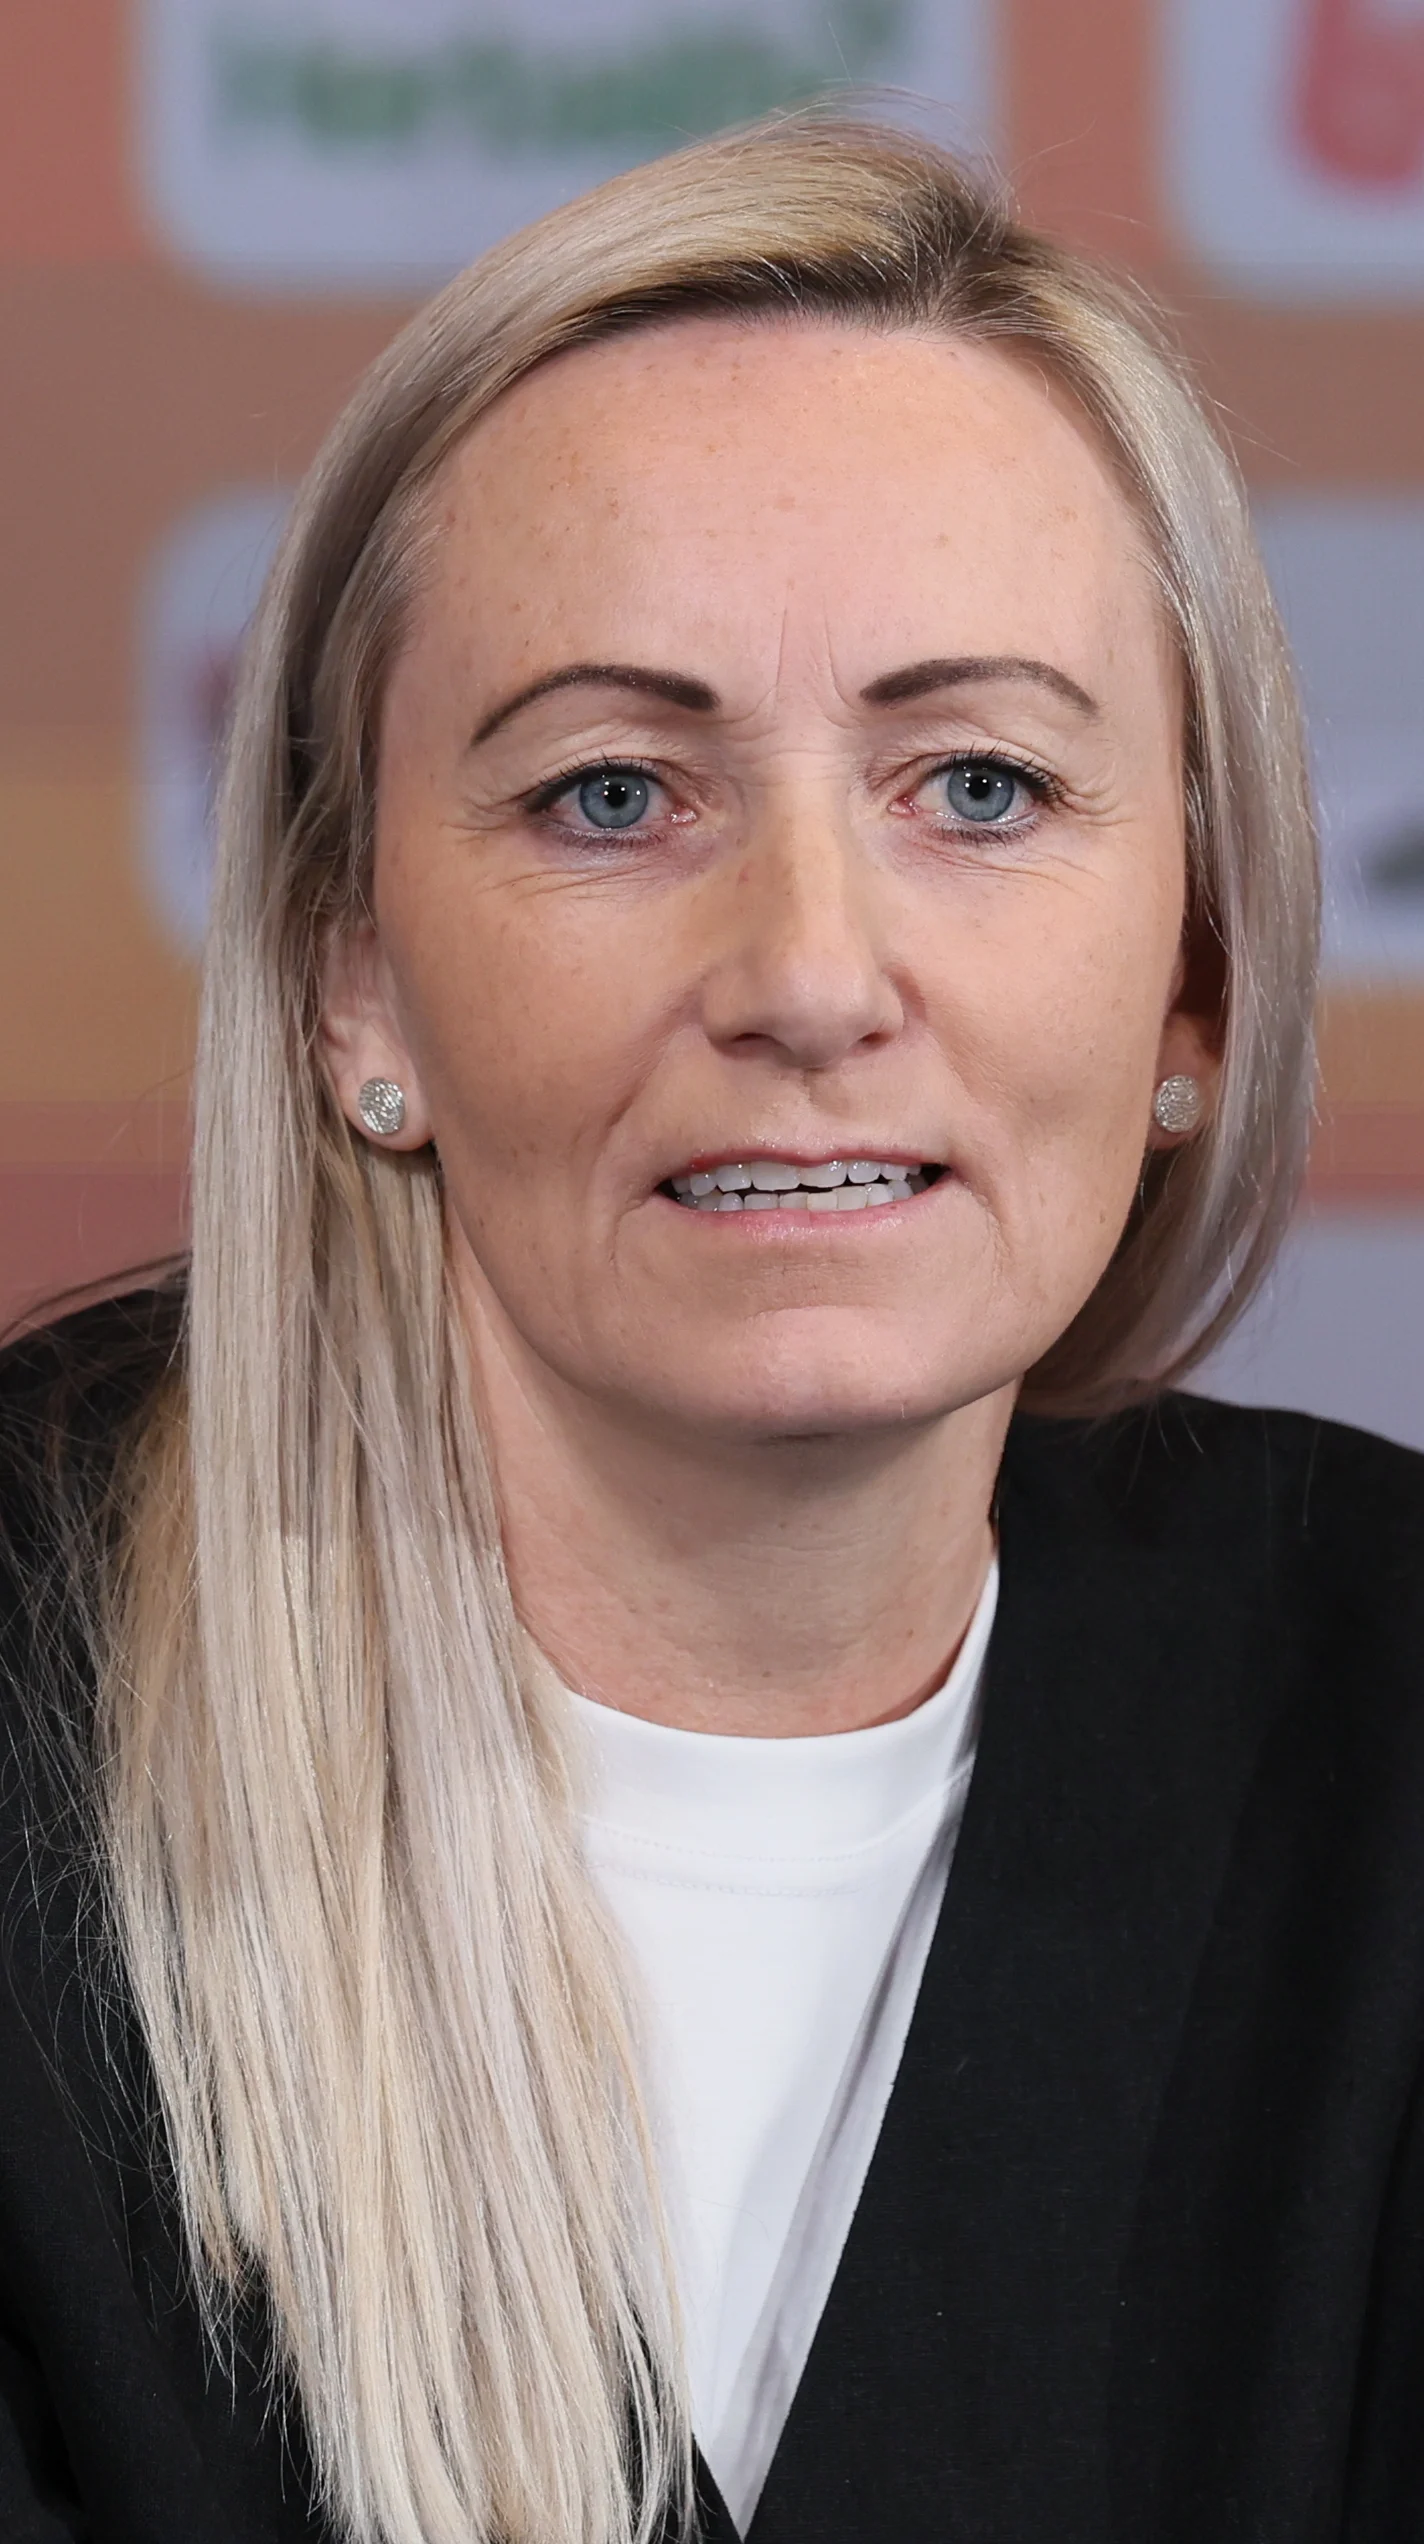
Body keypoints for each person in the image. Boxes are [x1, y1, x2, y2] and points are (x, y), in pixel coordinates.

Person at [1, 112, 1421, 2544]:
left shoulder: (1383, 1713)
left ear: (1196, 964)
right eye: (611, 795)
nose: (803, 975)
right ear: (361, 977)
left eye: (977, 785)